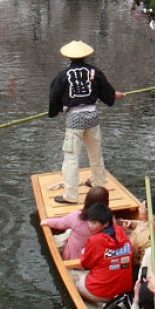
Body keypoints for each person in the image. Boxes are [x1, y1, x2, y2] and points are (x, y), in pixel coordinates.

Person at [47, 40, 125, 204]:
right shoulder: (94, 72)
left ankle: (71, 195)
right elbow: (106, 91)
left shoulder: (63, 75)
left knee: (71, 157)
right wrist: (113, 95)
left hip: (75, 118)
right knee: (96, 154)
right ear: (86, 56)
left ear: (69, 57)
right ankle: (99, 187)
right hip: (92, 116)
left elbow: (54, 96)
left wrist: (57, 109)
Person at [76, 203, 134, 302]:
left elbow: (85, 264)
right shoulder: (121, 232)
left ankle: (100, 303)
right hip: (124, 289)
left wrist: (84, 253)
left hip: (101, 292)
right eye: (89, 222)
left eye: (94, 223)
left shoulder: (95, 240)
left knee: (74, 277)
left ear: (106, 223)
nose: (90, 226)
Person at [40, 186, 109, 261]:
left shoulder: (77, 216)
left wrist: (46, 221)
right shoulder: (109, 219)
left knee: (67, 234)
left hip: (73, 259)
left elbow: (60, 223)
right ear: (106, 203)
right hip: (95, 261)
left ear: (86, 201)